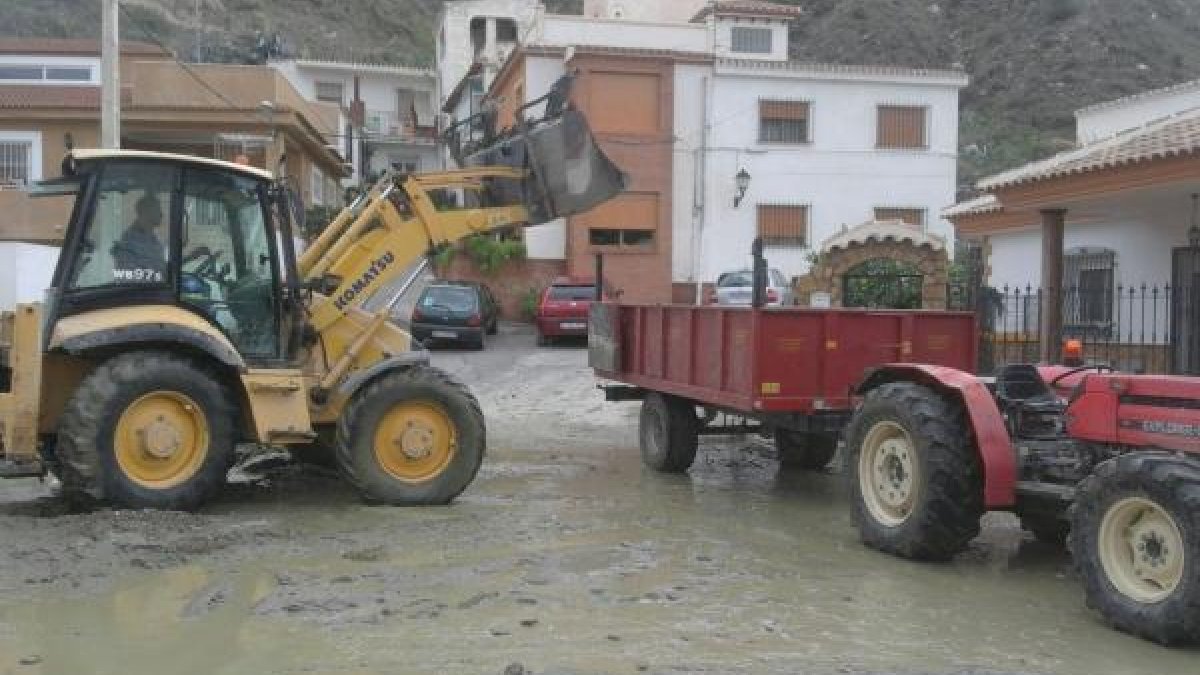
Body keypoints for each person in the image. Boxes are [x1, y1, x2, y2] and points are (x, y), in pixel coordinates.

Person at [112, 193, 167, 282]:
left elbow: (159, 269)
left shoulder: (154, 240)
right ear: (146, 212)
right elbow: (127, 278)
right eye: (157, 210)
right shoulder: (128, 243)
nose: (161, 214)